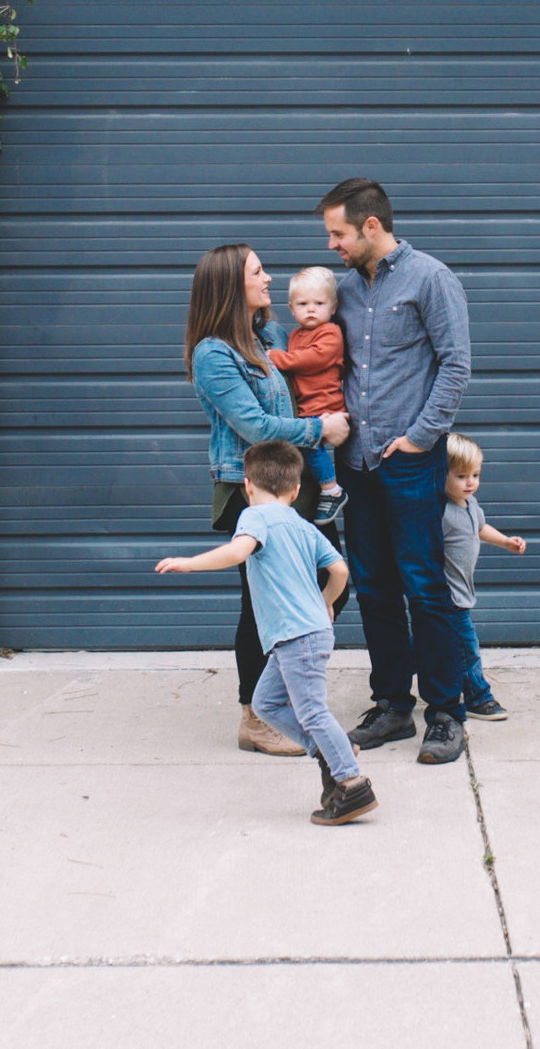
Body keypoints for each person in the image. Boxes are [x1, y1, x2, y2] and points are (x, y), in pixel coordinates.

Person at [319, 177, 476, 766]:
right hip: (355, 465)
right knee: (376, 588)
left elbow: (456, 365)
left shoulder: (431, 278)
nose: (331, 244)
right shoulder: (342, 290)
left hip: (409, 462)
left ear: (370, 227)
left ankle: (445, 713)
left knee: (423, 585)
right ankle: (392, 705)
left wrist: (418, 438)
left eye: (337, 233)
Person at [155, 441, 378, 826]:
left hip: (299, 635)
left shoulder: (254, 518)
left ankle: (352, 783)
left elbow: (239, 552)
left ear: (247, 486)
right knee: (266, 704)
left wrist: (191, 564)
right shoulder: (303, 524)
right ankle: (334, 751)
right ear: (295, 490)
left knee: (310, 710)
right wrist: (326, 601)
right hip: (303, 633)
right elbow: (340, 570)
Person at [185, 243, 350, 757]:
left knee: (332, 585)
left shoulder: (267, 335)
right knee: (262, 607)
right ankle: (256, 718)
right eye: (258, 272)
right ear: (232, 284)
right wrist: (319, 428)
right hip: (250, 490)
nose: (270, 279)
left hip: (293, 487)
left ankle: (281, 698)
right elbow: (253, 426)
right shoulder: (213, 352)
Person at [441, 432, 525, 721]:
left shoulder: (470, 504)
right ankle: (479, 698)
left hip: (462, 593)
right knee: (467, 650)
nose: (470, 482)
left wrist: (505, 542)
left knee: (428, 647)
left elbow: (480, 528)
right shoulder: (441, 512)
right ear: (442, 475)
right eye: (461, 475)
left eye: (475, 474)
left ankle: (400, 674)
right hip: (448, 596)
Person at [267, 266, 348, 522]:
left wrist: (278, 359)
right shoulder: (294, 335)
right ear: (291, 309)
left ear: (333, 307)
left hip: (324, 403)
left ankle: (332, 489)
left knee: (310, 445)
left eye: (319, 303)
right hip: (306, 404)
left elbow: (313, 359)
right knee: (305, 449)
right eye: (303, 304)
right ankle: (317, 487)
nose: (311, 309)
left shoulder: (330, 333)